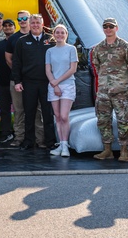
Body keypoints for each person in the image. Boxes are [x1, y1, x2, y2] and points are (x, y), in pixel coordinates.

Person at [89, 17, 128, 162]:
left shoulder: (126, 47)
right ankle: (107, 150)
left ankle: (124, 151)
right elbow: (97, 67)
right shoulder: (98, 48)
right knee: (103, 120)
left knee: (123, 120)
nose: (108, 29)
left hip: (121, 91)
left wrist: (124, 83)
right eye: (105, 26)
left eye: (111, 26)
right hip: (103, 91)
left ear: (116, 28)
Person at [12, 14, 56, 150]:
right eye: (33, 22)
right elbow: (16, 62)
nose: (35, 25)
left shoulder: (51, 39)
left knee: (47, 113)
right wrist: (17, 81)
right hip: (28, 82)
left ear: (42, 24)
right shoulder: (22, 41)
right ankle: (29, 141)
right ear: (29, 24)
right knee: (29, 113)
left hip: (47, 82)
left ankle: (49, 141)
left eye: (38, 22)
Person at [5, 10, 44, 148]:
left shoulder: (43, 38)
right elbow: (10, 59)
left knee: (38, 111)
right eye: (20, 18)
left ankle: (40, 139)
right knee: (19, 110)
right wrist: (19, 77)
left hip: (35, 82)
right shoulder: (15, 39)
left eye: (25, 18)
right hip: (17, 81)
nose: (23, 21)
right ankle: (19, 137)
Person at [45, 24, 78, 157]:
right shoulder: (50, 51)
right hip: (53, 85)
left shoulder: (72, 49)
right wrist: (54, 84)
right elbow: (48, 69)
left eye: (62, 33)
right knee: (57, 116)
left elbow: (72, 69)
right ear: (54, 34)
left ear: (66, 35)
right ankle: (61, 144)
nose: (59, 35)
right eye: (57, 32)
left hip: (67, 85)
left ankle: (65, 145)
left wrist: (57, 82)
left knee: (64, 116)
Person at [0, 19, 17, 145]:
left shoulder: (20, 41)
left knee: (20, 109)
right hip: (2, 82)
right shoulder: (0, 44)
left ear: (14, 27)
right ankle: (6, 133)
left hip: (17, 81)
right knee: (5, 110)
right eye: (5, 26)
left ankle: (20, 134)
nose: (7, 28)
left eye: (10, 25)